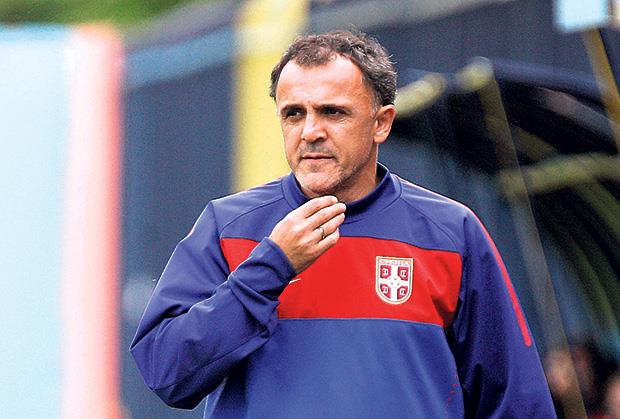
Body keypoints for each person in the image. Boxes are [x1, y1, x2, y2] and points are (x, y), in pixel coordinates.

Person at [130, 30, 556, 418]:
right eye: (293, 114)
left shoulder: (450, 233)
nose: (310, 132)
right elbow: (167, 373)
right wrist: (271, 267)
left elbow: (516, 402)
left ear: (381, 123)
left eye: (332, 112)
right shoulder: (228, 227)